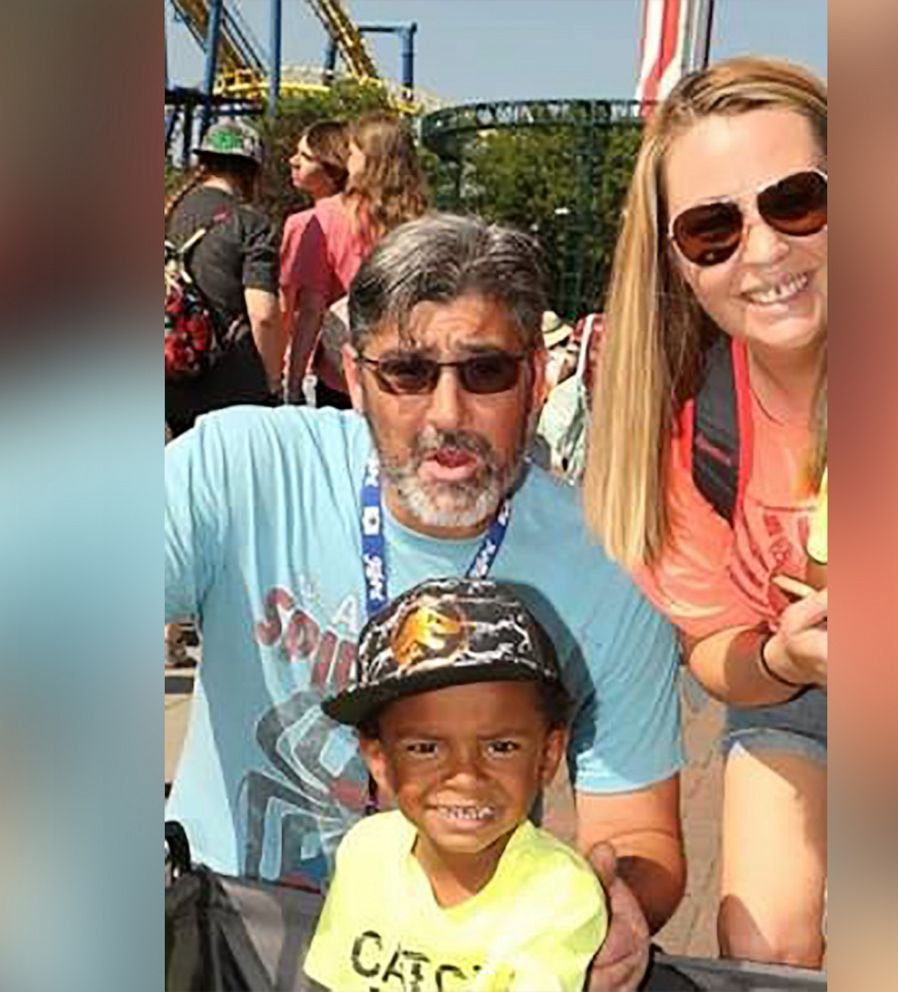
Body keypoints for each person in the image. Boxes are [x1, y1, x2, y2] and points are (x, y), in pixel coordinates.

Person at [165, 213, 685, 990]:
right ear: (357, 373)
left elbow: (639, 831)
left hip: (459, 964)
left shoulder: (608, 566)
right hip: (226, 939)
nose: (446, 414)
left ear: (537, 378)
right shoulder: (240, 469)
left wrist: (614, 906)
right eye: (407, 373)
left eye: (484, 373)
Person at [584, 58, 828, 967]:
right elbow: (717, 652)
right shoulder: (691, 431)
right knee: (761, 944)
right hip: (805, 688)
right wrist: (783, 654)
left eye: (797, 200)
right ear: (677, 262)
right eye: (713, 229)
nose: (762, 252)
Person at [304, 577, 607, 992]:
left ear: (549, 754)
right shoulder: (365, 850)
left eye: (501, 747)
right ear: (378, 759)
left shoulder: (560, 895)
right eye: (425, 748)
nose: (466, 776)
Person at [285, 111, 429, 409]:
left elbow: (311, 310)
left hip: (342, 373)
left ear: (369, 161)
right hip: (405, 369)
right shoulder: (421, 224)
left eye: (352, 152)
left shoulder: (324, 219)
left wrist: (294, 382)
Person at [164, 119, 283, 438]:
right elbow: (264, 315)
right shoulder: (251, 223)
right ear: (251, 170)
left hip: (172, 379)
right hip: (233, 388)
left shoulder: (169, 212)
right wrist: (273, 381)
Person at [279, 120, 349, 406]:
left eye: (305, 157)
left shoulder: (307, 223)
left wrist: (291, 381)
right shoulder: (377, 216)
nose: (293, 162)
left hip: (328, 366)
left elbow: (305, 309)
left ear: (331, 168)